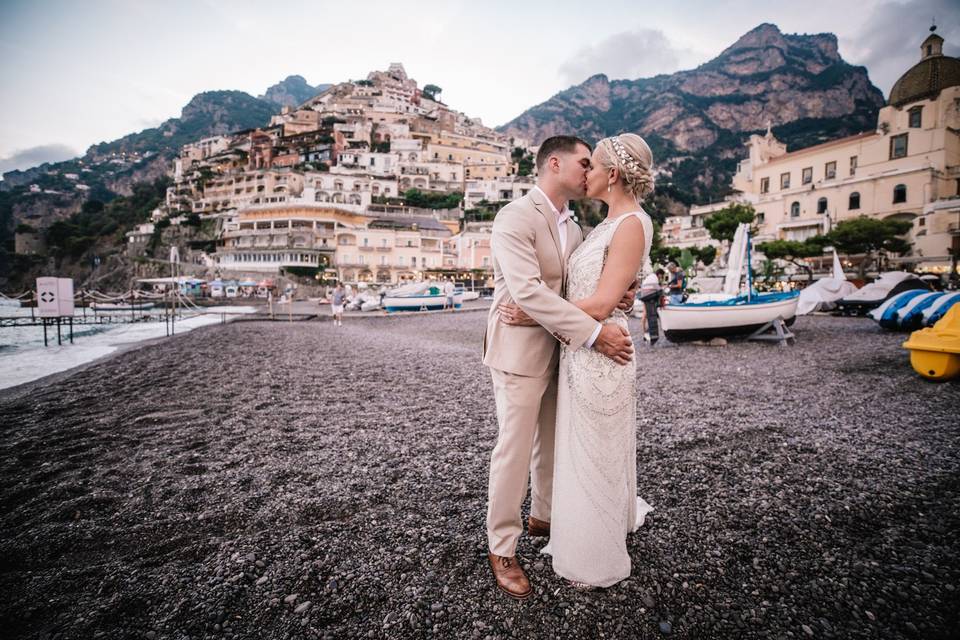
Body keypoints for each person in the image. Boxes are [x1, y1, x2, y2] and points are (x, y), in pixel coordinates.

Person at [481, 135, 637, 600]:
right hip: (519, 349)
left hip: (562, 351)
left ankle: (543, 516)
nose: (590, 172)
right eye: (584, 163)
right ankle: (501, 546)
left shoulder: (575, 227)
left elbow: (582, 283)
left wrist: (621, 294)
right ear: (554, 163)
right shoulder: (515, 217)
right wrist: (594, 334)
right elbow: (526, 292)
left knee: (551, 439)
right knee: (513, 447)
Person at [639, 268, 665, 344]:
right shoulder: (655, 278)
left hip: (644, 295)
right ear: (659, 274)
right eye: (661, 276)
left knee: (645, 314)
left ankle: (644, 333)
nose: (661, 278)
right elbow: (658, 289)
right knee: (650, 315)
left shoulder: (650, 276)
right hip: (649, 296)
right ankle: (649, 332)